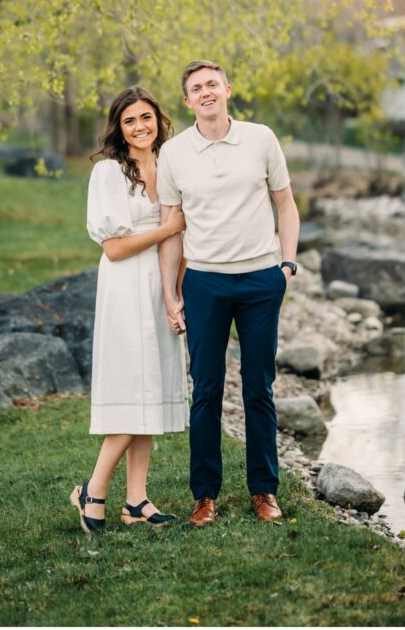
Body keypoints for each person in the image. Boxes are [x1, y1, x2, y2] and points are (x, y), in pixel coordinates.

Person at [157, 59, 300, 526]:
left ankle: (264, 491)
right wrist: (170, 293)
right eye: (196, 88)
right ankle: (205, 496)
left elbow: (285, 203)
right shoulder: (174, 154)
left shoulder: (261, 138)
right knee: (207, 391)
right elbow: (171, 230)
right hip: (204, 282)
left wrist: (287, 265)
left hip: (261, 278)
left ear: (227, 89)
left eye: (212, 84)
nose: (206, 92)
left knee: (259, 387)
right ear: (187, 101)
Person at [70, 86, 188, 534]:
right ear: (118, 129)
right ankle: (93, 491)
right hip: (125, 288)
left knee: (152, 388)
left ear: (159, 119)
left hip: (160, 286)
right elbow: (115, 248)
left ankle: (136, 500)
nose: (140, 127)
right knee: (133, 388)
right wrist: (169, 226)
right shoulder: (109, 173)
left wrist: (175, 293)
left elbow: (182, 235)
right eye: (130, 121)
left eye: (147, 117)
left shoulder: (170, 164)